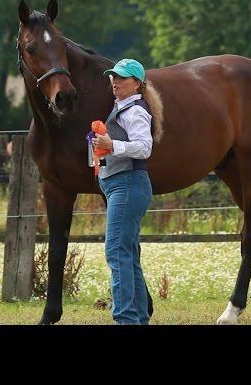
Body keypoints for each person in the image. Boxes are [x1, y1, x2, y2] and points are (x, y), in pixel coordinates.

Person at [92, 58, 157, 325]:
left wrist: (112, 144)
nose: (115, 81)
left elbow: (144, 147)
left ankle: (126, 319)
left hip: (128, 183)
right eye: (113, 77)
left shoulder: (136, 111)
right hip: (120, 183)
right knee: (127, 253)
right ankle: (138, 318)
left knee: (117, 251)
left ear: (137, 84)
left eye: (122, 77)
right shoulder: (121, 108)